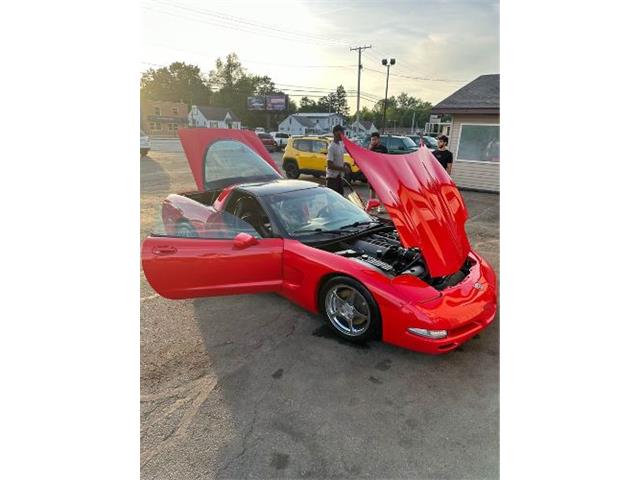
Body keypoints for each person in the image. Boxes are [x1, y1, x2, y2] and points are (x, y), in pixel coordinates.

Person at [326, 125, 349, 195]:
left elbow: (339, 160)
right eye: (342, 132)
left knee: (340, 199)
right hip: (332, 179)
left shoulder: (340, 145)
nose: (343, 134)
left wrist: (344, 165)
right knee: (332, 201)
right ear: (336, 133)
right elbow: (329, 165)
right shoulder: (331, 147)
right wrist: (343, 169)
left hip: (339, 178)